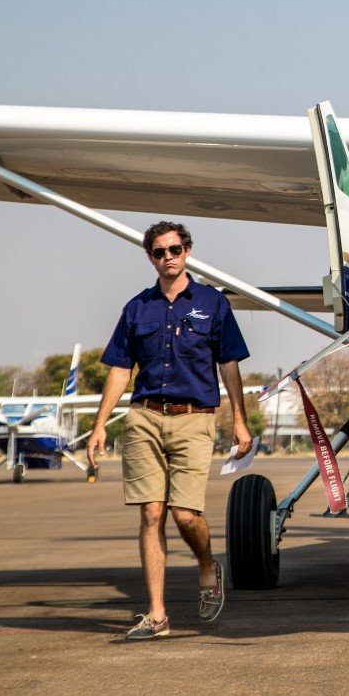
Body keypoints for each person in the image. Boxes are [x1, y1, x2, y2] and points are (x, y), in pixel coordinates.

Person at [86, 221, 252, 640]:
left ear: (187, 251)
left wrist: (239, 420)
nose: (167, 258)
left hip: (194, 417)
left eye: (174, 249)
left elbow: (228, 364)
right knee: (151, 512)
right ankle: (157, 615)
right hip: (143, 417)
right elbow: (121, 368)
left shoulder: (214, 304)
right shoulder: (137, 308)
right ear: (150, 258)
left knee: (184, 514)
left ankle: (204, 563)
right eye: (159, 252)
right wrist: (100, 424)